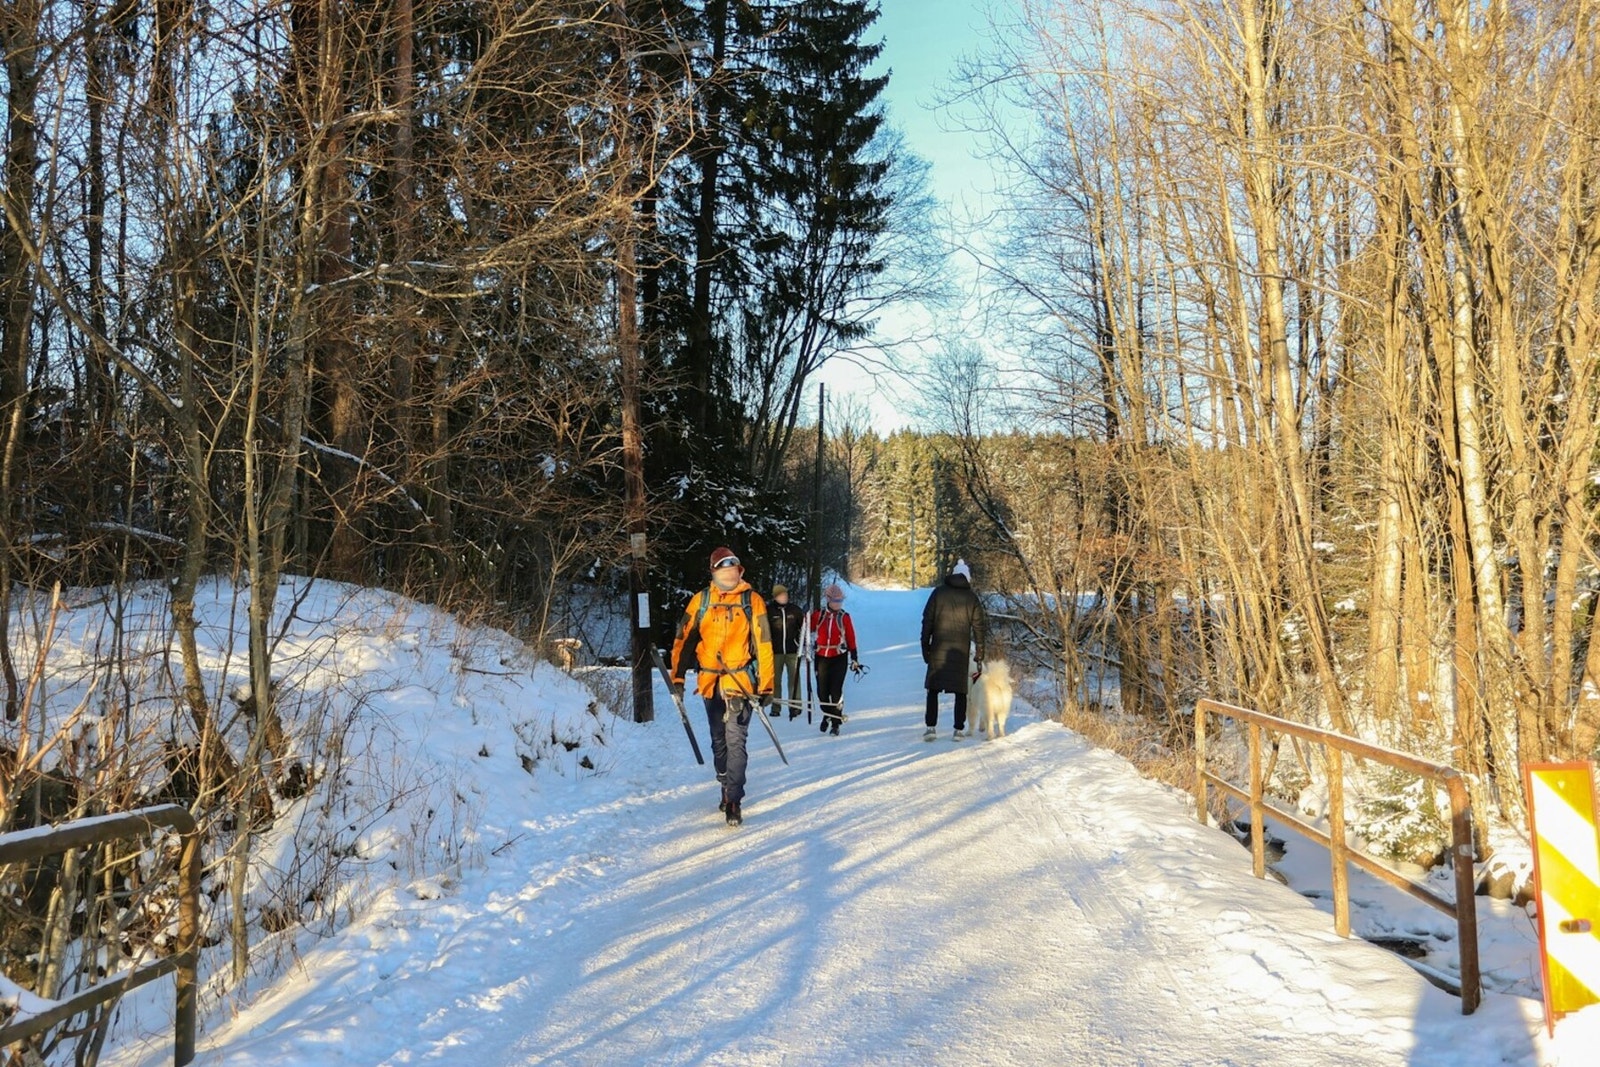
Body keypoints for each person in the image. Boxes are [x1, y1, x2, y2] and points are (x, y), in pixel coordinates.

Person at [669, 547, 775, 825]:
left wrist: (766, 685)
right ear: (714, 572)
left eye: (733, 570)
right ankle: (725, 784)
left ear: (739, 571)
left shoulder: (753, 601)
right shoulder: (700, 601)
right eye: (723, 570)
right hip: (709, 683)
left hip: (740, 682)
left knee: (735, 740)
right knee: (719, 742)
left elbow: (764, 644)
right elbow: (683, 641)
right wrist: (677, 678)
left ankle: (733, 799)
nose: (729, 575)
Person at [921, 559, 987, 742]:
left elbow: (927, 621)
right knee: (960, 691)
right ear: (967, 577)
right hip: (960, 651)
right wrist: (980, 653)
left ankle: (931, 727)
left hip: (938, 649)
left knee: (933, 688)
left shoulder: (938, 593)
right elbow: (979, 627)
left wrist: (924, 646)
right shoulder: (971, 598)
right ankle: (958, 729)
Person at [809, 582, 860, 736]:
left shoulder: (844, 617)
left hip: (839, 657)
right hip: (821, 657)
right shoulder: (818, 615)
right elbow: (806, 629)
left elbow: (851, 637)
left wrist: (855, 657)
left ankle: (835, 723)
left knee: (835, 691)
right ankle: (828, 714)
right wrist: (804, 616)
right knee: (822, 693)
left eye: (840, 601)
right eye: (836, 601)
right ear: (828, 600)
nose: (838, 604)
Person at [766, 584, 806, 718]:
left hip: (792, 651)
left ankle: (795, 706)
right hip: (775, 652)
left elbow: (803, 628)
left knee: (794, 679)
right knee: (775, 681)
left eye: (785, 595)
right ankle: (775, 707)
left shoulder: (794, 610)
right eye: (781, 595)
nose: (784, 597)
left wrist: (802, 644)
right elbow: (764, 631)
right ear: (775, 597)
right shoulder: (769, 611)